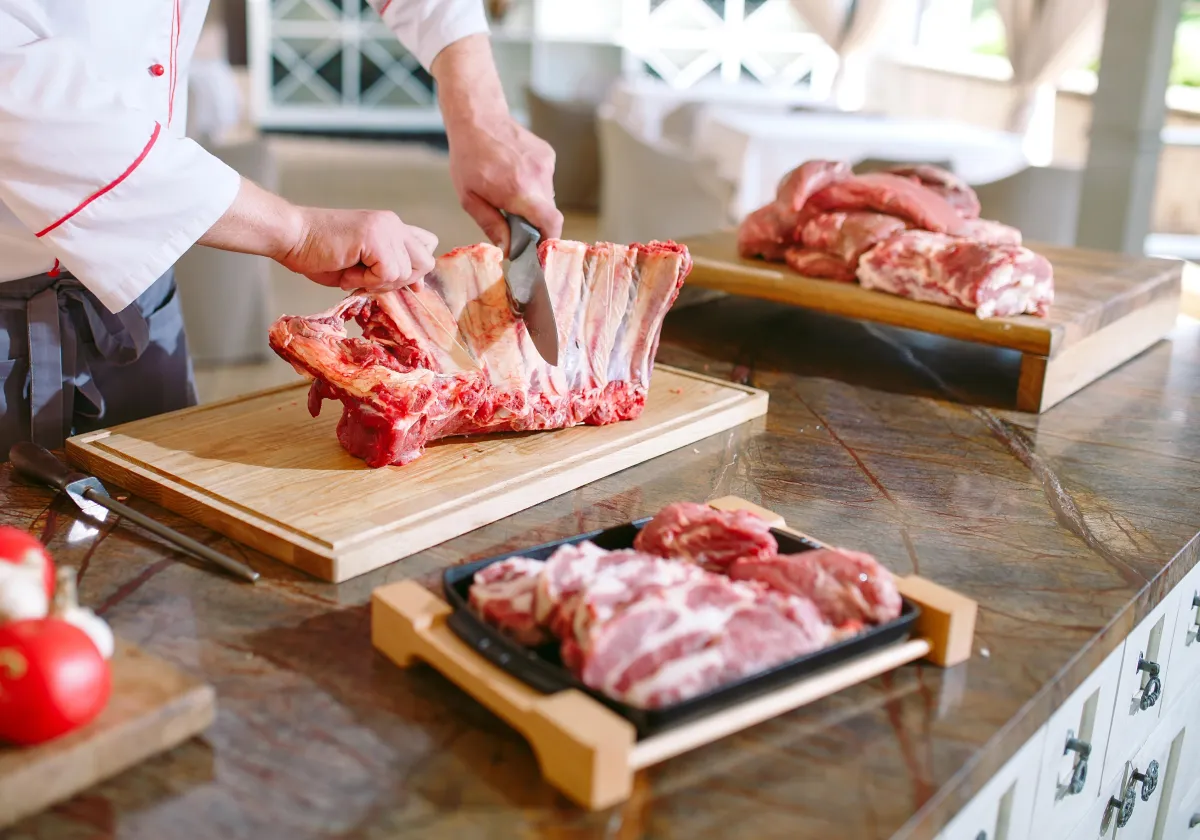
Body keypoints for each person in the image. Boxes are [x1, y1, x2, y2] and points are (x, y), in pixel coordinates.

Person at [0, 0, 562, 455]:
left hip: (134, 306)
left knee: (161, 573)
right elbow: (18, 98)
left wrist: (479, 112)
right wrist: (295, 231)